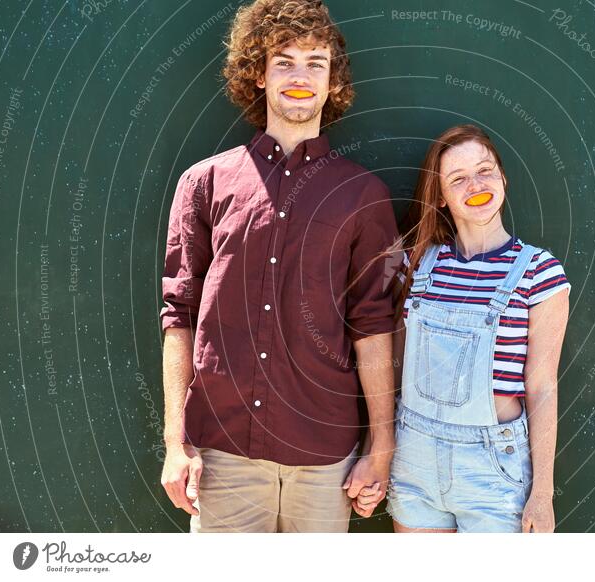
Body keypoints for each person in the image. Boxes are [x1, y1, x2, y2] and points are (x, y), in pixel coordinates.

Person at [159, 0, 398, 533]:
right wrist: (175, 442)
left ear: (332, 81)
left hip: (325, 458)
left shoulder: (363, 195)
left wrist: (381, 447)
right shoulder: (205, 184)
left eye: (315, 62)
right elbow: (179, 315)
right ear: (258, 75)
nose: (300, 76)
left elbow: (374, 324)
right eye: (283, 61)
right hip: (221, 456)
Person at [359, 123, 571, 532]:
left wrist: (542, 494)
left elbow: (542, 385)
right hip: (413, 457)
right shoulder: (414, 262)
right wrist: (375, 453)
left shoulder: (539, 272)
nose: (476, 184)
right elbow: (393, 365)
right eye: (458, 178)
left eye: (485, 170)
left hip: (493, 469)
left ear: (503, 177)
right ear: (440, 196)